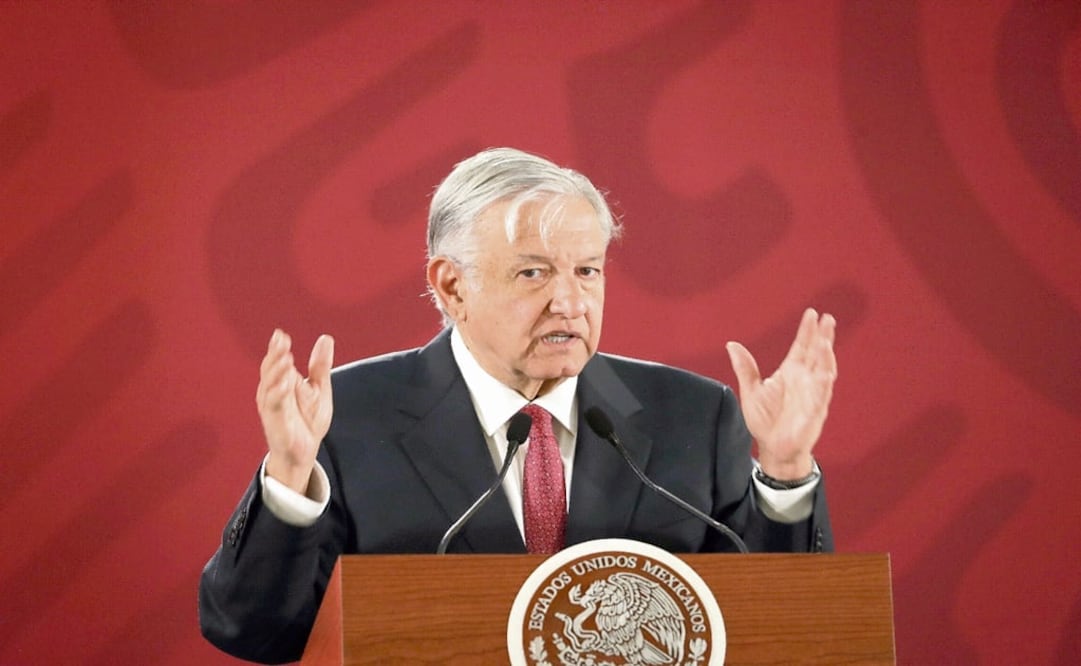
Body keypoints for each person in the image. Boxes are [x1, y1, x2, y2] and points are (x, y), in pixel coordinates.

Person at [199, 147, 837, 664]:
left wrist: (783, 471)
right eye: (533, 273)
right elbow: (254, 633)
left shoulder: (694, 417)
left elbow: (786, 637)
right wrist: (287, 481)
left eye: (587, 271)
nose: (570, 301)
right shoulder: (349, 418)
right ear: (452, 287)